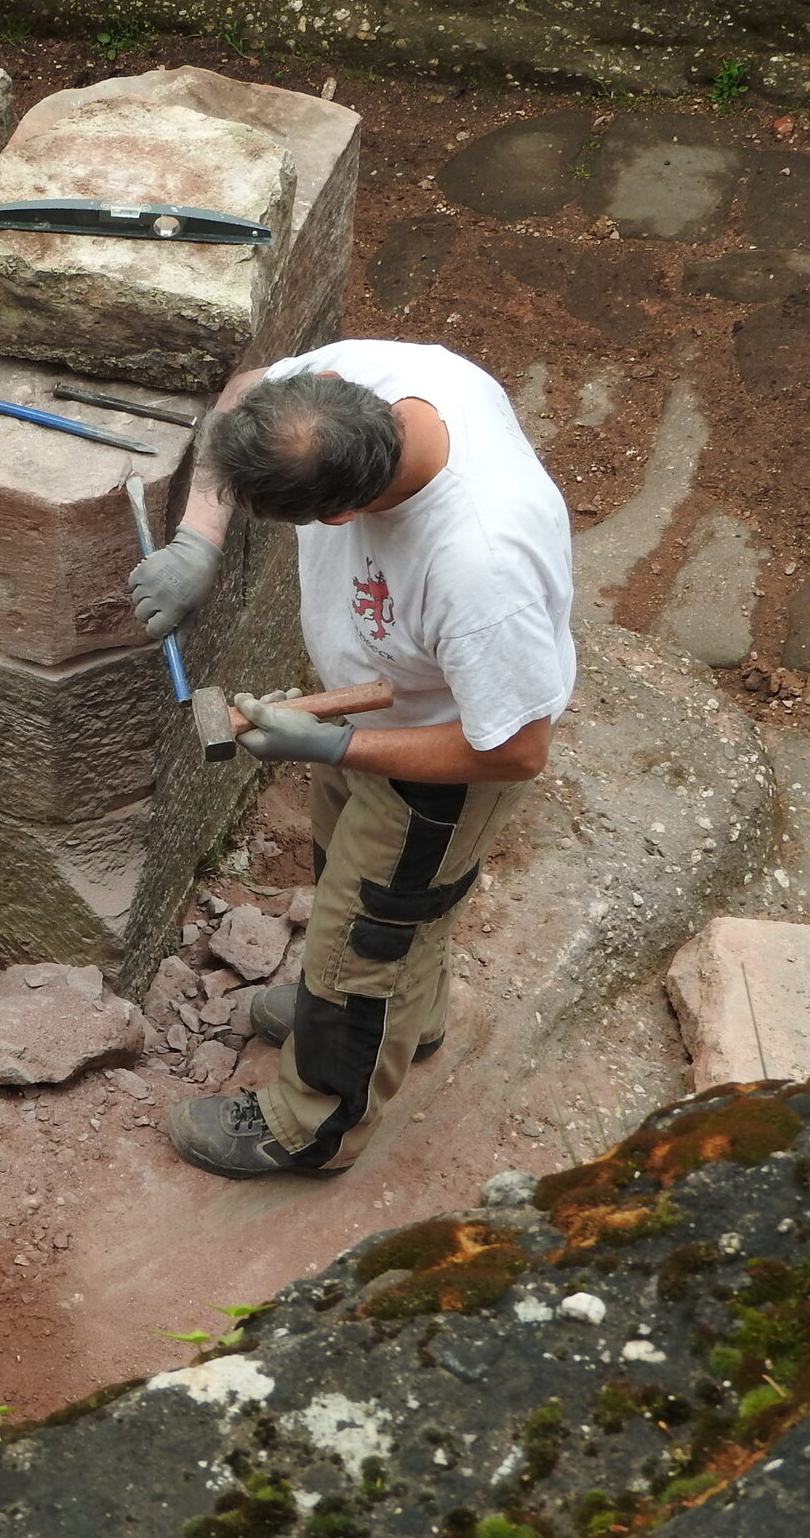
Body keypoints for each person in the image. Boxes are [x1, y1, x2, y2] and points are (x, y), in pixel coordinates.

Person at [128, 339, 575, 1179]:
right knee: (359, 888)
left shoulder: (482, 563)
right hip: (379, 705)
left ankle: (311, 1128)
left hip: (444, 762)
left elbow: (518, 749)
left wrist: (335, 743)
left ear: (338, 517)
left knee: (368, 935)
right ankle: (406, 1018)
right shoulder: (370, 383)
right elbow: (244, 390)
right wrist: (197, 540)